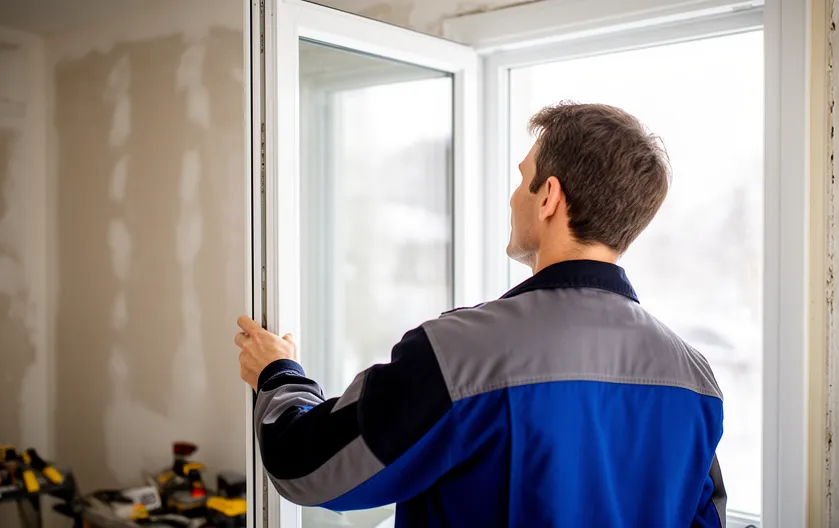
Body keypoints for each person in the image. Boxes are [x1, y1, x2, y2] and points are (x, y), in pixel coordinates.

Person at [235, 102, 726, 527]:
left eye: (522, 179)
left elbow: (309, 468)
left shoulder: (461, 353)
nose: (514, 197)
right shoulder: (694, 378)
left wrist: (278, 373)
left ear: (549, 197)